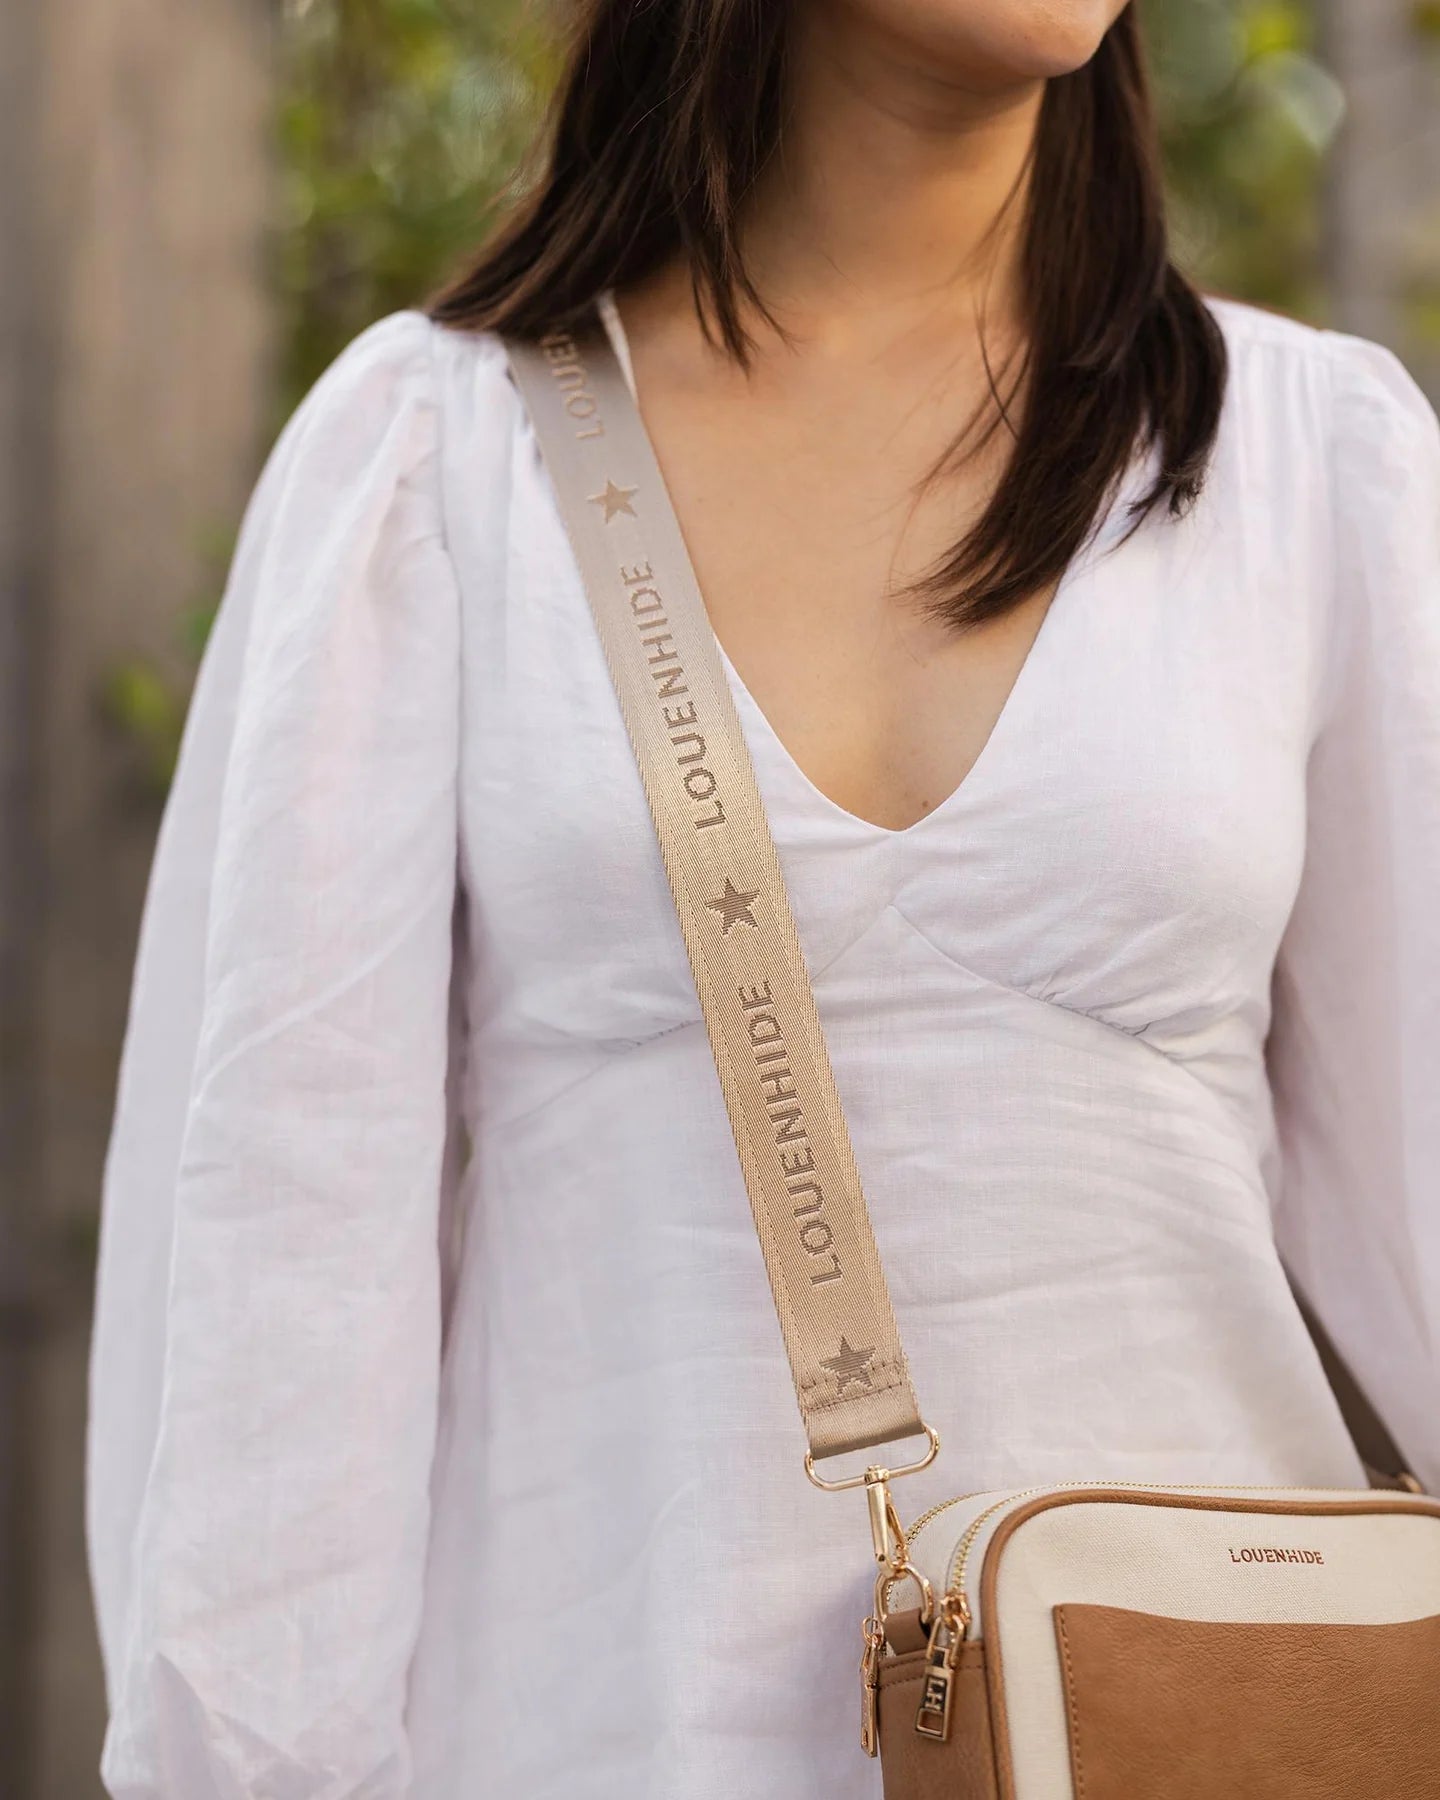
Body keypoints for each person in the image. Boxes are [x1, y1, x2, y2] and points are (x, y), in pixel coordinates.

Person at [87, 2, 1440, 1796]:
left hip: (1210, 1742)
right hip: (603, 1737)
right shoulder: (437, 459)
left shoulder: (1307, 462)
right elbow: (280, 1279)